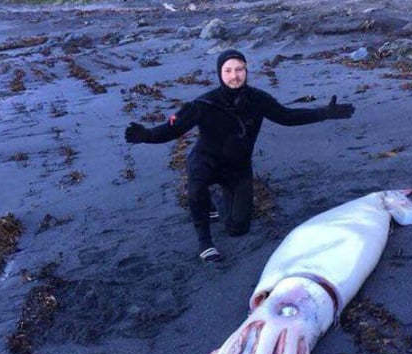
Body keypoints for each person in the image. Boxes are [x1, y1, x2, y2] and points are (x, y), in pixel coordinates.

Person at [125, 49, 355, 263]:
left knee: (238, 229)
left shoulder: (258, 99)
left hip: (238, 168)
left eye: (239, 70)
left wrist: (324, 113)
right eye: (228, 70)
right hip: (205, 161)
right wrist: (147, 135)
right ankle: (205, 242)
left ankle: (215, 197)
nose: (234, 76)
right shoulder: (203, 104)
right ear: (219, 73)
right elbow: (173, 129)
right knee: (196, 188)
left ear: (246, 71)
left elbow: (288, 117)